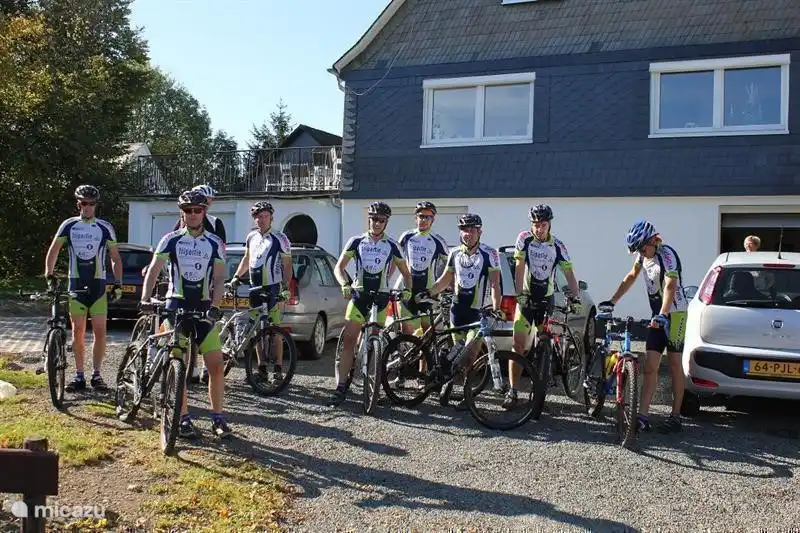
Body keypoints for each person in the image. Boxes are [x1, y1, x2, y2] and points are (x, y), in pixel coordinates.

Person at [141, 190, 230, 438]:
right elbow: (154, 270)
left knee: (215, 364)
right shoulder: (170, 239)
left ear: (204, 212)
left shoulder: (215, 243)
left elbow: (220, 278)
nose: (192, 214)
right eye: (188, 210)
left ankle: (218, 417)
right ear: (182, 212)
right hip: (175, 306)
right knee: (178, 361)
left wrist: (215, 304)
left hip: (203, 308)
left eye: (197, 210)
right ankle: (183, 417)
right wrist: (145, 297)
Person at [600, 220, 688, 434]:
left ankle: (676, 415)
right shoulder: (643, 255)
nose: (640, 252)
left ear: (652, 241)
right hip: (657, 314)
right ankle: (643, 416)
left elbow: (670, 285)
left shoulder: (667, 255)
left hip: (675, 314)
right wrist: (612, 301)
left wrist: (664, 313)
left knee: (675, 363)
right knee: (650, 366)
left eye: (641, 247)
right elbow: (631, 276)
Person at [415, 213, 503, 410]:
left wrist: (496, 308)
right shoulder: (455, 253)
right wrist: (429, 291)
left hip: (478, 313)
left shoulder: (490, 254)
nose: (468, 234)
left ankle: (466, 394)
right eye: (464, 230)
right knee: (458, 354)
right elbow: (445, 280)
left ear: (479, 232)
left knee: (470, 354)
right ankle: (449, 383)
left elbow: (496, 284)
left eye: (472, 230)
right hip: (457, 311)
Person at [330, 202, 413, 407]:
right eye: (374, 219)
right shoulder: (356, 241)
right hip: (359, 297)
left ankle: (375, 380)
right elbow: (339, 268)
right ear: (369, 218)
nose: (377, 223)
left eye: (381, 220)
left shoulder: (393, 245)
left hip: (381, 299)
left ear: (386, 222)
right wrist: (344, 284)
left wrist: (407, 290)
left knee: (376, 342)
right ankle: (341, 385)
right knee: (350, 339)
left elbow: (406, 272)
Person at [44, 185, 122, 392]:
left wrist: (118, 282)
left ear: (96, 205)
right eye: (84, 203)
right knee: (78, 332)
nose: (88, 207)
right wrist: (49, 273)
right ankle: (79, 375)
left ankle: (97, 375)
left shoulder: (105, 227)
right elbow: (54, 249)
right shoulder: (69, 225)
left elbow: (115, 258)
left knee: (100, 332)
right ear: (78, 204)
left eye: (92, 204)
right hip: (76, 285)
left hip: (98, 286)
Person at [507, 204, 582, 409]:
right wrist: (519, 294)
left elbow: (569, 274)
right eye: (536, 224)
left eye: (543, 225)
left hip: (545, 300)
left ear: (549, 224)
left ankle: (541, 381)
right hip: (526, 300)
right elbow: (520, 268)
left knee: (544, 341)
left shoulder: (558, 245)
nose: (539, 229)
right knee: (518, 346)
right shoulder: (524, 239)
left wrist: (576, 298)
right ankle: (512, 391)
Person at [226, 201, 292, 382]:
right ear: (254, 219)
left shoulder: (280, 238)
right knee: (256, 329)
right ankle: (262, 368)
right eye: (258, 217)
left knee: (274, 330)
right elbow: (246, 259)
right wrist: (236, 277)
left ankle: (278, 369)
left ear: (271, 217)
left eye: (265, 216)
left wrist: (285, 288)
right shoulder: (251, 237)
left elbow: (287, 265)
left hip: (273, 287)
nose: (261, 220)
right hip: (254, 288)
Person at [396, 201, 449, 387]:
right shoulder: (406, 236)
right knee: (405, 336)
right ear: (415, 217)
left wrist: (442, 287)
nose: (423, 220)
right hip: (408, 293)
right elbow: (398, 261)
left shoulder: (438, 241)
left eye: (427, 217)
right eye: (420, 216)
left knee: (426, 338)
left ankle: (421, 376)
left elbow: (449, 267)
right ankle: (401, 374)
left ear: (433, 219)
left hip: (428, 295)